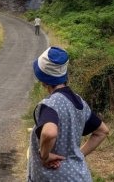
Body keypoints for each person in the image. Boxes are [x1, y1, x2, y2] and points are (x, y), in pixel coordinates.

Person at [27, 47, 109, 181]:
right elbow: (102, 131)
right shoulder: (79, 102)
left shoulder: (50, 105)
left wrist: (45, 155)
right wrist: (76, 156)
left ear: (44, 80)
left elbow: (49, 133)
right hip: (80, 176)